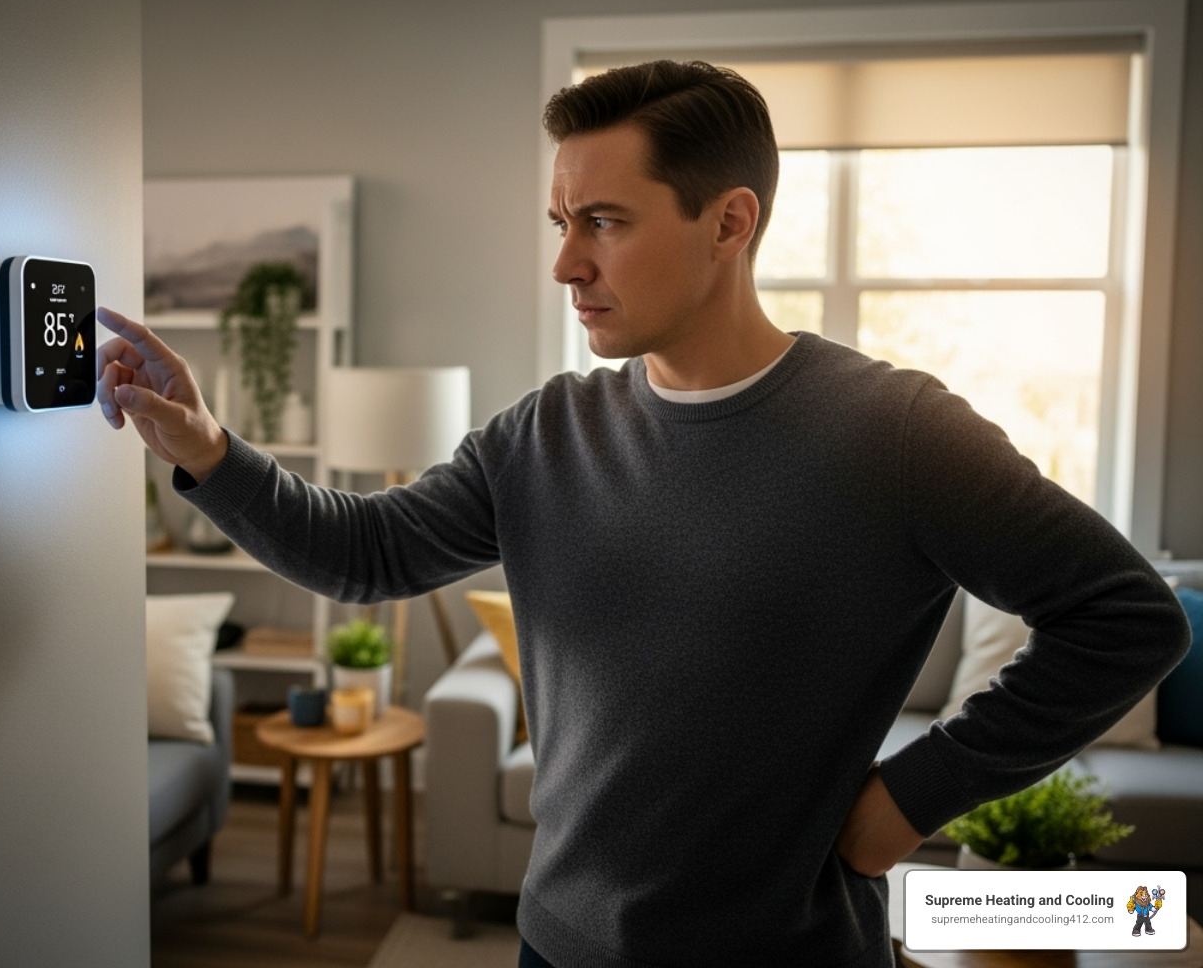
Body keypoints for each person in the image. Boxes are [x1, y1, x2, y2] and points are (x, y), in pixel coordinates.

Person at [96, 61, 1189, 968]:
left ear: (729, 223)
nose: (568, 262)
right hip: (556, 946)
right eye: (563, 220)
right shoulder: (545, 433)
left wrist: (914, 794)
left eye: (606, 222)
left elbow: (1127, 617)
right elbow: (364, 553)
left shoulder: (893, 430)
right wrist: (205, 446)